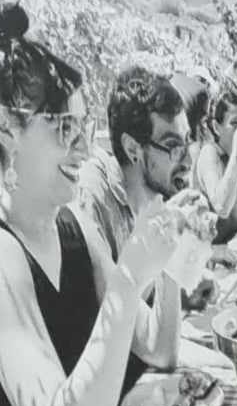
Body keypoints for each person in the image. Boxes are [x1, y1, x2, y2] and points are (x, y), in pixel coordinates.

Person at [0, 6, 183, 406]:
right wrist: (128, 281)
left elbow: (159, 349)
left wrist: (176, 257)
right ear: (6, 128)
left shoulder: (74, 228)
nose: (83, 149)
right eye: (63, 128)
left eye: (83, 127)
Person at [73, 65, 211, 341]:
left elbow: (149, 292)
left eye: (187, 142)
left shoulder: (155, 192)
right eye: (173, 146)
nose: (187, 160)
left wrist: (187, 280)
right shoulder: (93, 195)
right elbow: (112, 320)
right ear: (133, 149)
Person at [192, 86, 237, 243]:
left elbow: (233, 217)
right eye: (234, 123)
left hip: (234, 245)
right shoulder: (209, 153)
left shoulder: (233, 158)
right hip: (210, 252)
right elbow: (222, 208)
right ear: (216, 127)